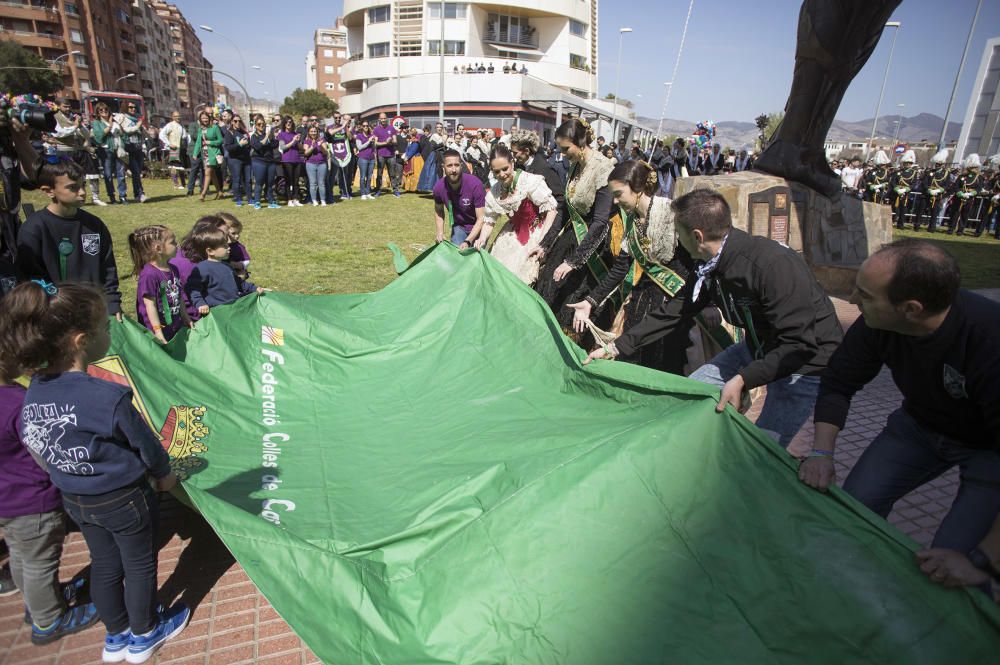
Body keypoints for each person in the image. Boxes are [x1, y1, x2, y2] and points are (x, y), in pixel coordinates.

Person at [0, 281, 191, 662]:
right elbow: (146, 445)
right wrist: (165, 474)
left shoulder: (33, 390)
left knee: (104, 564)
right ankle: (145, 634)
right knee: (138, 565)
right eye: (105, 328)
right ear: (81, 340)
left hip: (76, 500)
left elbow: (36, 444)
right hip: (125, 497)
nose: (109, 333)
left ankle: (115, 635)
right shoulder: (107, 396)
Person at [800, 240, 1000, 574]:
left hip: (988, 450)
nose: (851, 301)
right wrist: (821, 453)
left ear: (911, 309)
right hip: (918, 427)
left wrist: (982, 559)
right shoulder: (877, 322)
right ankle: (857, 587)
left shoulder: (989, 342)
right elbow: (838, 382)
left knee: (949, 563)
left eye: (864, 295)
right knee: (855, 509)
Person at [587, 189, 844, 447]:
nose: (676, 239)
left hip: (804, 361)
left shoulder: (772, 265)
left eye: (679, 233)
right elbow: (677, 309)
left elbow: (800, 344)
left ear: (697, 236)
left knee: (761, 450)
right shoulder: (709, 263)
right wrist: (616, 346)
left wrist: (744, 379)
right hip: (761, 345)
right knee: (688, 397)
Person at [0, 353, 99, 645]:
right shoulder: (17, 404)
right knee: (40, 562)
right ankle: (49, 620)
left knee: (21, 555)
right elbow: (42, 452)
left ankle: (39, 603)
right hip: (34, 501)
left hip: (8, 500)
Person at [570, 161, 693, 375]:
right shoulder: (633, 222)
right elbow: (621, 268)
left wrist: (705, 303)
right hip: (643, 299)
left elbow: (693, 261)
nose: (615, 201)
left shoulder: (672, 212)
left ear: (638, 189)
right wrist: (591, 301)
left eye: (619, 194)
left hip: (676, 301)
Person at [534, 118, 616, 339]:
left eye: (565, 148)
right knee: (551, 290)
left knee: (572, 302)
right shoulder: (574, 165)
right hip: (570, 239)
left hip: (593, 246)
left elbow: (600, 221)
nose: (562, 154)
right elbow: (564, 210)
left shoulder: (603, 167)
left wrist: (573, 262)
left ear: (581, 142)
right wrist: (546, 243)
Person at [16, 162, 122, 319]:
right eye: (73, 187)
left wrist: (112, 302)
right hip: (56, 315)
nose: (82, 192)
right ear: (48, 191)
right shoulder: (33, 229)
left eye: (83, 185)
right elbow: (31, 278)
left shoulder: (94, 225)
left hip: (95, 311)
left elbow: (107, 268)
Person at [465, 143, 557, 284]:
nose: (502, 174)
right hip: (512, 233)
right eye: (497, 172)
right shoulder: (495, 192)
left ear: (512, 163)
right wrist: (482, 239)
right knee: (498, 274)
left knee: (522, 275)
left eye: (505, 169)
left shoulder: (528, 181)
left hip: (537, 231)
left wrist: (544, 241)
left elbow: (551, 210)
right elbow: (490, 220)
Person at [128, 225, 193, 343]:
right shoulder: (149, 275)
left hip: (174, 326)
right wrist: (157, 332)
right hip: (156, 332)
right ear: (158, 248)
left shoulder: (174, 269)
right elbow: (149, 306)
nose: (177, 245)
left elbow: (179, 296)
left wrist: (186, 318)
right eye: (172, 242)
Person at [186, 226, 265, 314]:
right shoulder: (202, 269)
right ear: (210, 251)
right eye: (224, 246)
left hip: (234, 309)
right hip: (217, 314)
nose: (229, 248)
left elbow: (239, 283)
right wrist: (200, 303)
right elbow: (193, 289)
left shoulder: (227, 266)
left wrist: (254, 288)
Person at [50, 98, 105, 206]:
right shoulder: (54, 118)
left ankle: (95, 197)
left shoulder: (74, 117)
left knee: (91, 173)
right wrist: (75, 126)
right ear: (59, 106)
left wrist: (79, 125)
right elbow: (59, 133)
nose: (67, 108)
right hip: (64, 151)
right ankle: (72, 198)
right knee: (68, 176)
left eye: (69, 106)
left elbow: (87, 134)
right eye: (65, 106)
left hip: (79, 150)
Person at [432, 149, 486, 245]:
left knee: (475, 256)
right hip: (459, 226)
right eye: (449, 165)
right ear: (443, 167)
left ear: (461, 166)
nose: (453, 170)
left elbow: (481, 218)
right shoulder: (438, 187)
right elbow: (439, 211)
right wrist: (440, 233)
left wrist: (468, 241)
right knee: (456, 255)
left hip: (479, 226)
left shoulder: (476, 184)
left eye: (456, 165)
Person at [510, 128, 564, 214]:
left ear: (527, 151)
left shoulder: (543, 168)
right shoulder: (518, 166)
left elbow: (560, 198)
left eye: (515, 153)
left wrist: (553, 225)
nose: (513, 156)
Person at [90, 103, 127, 205]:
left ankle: (123, 196)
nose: (104, 112)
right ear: (97, 112)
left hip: (118, 149)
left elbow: (123, 135)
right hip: (106, 151)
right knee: (108, 175)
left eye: (106, 109)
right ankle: (112, 196)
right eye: (101, 110)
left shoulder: (115, 121)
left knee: (121, 174)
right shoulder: (97, 123)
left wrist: (120, 126)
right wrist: (110, 125)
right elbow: (99, 137)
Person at [114, 101, 146, 203]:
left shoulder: (137, 118)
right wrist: (137, 127)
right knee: (134, 171)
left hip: (138, 148)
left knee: (137, 173)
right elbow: (124, 131)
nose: (133, 109)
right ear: (125, 107)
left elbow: (141, 133)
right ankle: (138, 194)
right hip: (128, 148)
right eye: (130, 107)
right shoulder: (121, 117)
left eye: (134, 107)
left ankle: (138, 194)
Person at [948, 154, 986, 236]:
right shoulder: (962, 176)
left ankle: (960, 230)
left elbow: (979, 188)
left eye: (973, 167)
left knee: (965, 214)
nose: (972, 169)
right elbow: (956, 186)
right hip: (959, 196)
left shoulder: (979, 177)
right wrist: (959, 193)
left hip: (969, 198)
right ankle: (951, 228)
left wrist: (971, 194)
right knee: (955, 213)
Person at [192, 110, 224, 201]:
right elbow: (198, 142)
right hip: (205, 154)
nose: (204, 120)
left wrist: (210, 142)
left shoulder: (215, 127)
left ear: (209, 118)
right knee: (212, 174)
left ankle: (203, 194)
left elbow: (221, 140)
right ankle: (220, 192)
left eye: (206, 118)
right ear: (200, 119)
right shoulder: (201, 129)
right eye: (202, 118)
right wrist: (195, 153)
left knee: (207, 173)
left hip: (213, 153)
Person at [249, 115, 280, 210]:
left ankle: (271, 201)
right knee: (259, 183)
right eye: (259, 124)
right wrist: (267, 136)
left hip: (270, 161)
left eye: (263, 124)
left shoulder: (269, 135)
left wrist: (273, 137)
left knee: (270, 183)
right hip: (259, 161)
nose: (261, 126)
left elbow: (275, 144)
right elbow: (258, 146)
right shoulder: (254, 136)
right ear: (255, 125)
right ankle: (257, 201)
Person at [919, 149, 951, 232]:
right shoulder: (929, 172)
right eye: (937, 164)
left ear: (942, 164)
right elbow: (924, 182)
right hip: (928, 193)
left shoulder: (946, 173)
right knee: (921, 210)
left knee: (934, 212)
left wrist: (940, 190)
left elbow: (947, 184)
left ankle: (931, 228)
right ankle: (917, 225)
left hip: (937, 195)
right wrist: (928, 189)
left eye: (939, 164)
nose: (937, 165)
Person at [223, 115, 251, 207]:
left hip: (246, 159)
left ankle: (250, 198)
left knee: (248, 180)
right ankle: (238, 199)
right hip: (235, 160)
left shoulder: (243, 132)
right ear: (231, 122)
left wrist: (247, 144)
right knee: (237, 180)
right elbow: (228, 148)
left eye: (239, 121)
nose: (237, 123)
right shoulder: (229, 133)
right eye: (235, 121)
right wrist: (239, 144)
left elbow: (248, 145)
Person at [889, 150, 921, 229]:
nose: (907, 165)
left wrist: (907, 189)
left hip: (906, 193)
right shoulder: (898, 172)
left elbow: (914, 183)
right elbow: (893, 181)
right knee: (894, 208)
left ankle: (901, 224)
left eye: (909, 163)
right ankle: (892, 221)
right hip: (897, 192)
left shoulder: (914, 173)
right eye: (906, 163)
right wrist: (896, 188)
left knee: (903, 209)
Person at [276, 117, 304, 207]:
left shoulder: (296, 134)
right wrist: (293, 141)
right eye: (287, 122)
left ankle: (296, 199)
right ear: (284, 124)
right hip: (287, 159)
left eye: (290, 122)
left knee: (296, 181)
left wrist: (298, 141)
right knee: (288, 180)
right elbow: (283, 147)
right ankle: (289, 199)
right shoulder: (281, 134)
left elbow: (301, 148)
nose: (289, 124)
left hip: (297, 159)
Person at [325, 116, 353, 201]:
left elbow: (350, 138)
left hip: (344, 154)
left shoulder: (344, 127)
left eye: (339, 118)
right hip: (334, 155)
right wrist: (341, 127)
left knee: (344, 174)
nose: (338, 119)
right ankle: (329, 194)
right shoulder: (330, 127)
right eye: (336, 118)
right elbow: (330, 133)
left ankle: (344, 192)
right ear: (333, 118)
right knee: (333, 175)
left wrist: (346, 128)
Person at [158, 111, 188, 191]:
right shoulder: (169, 125)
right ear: (173, 117)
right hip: (173, 149)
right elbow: (161, 135)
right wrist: (169, 143)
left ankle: (183, 183)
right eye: (176, 116)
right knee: (174, 167)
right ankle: (176, 184)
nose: (178, 118)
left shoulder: (181, 126)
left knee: (181, 167)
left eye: (179, 116)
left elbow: (185, 136)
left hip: (180, 148)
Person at [371, 113, 398, 197]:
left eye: (384, 118)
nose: (383, 120)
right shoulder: (376, 129)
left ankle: (395, 190)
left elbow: (395, 141)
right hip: (381, 155)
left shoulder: (392, 128)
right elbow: (375, 143)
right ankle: (378, 190)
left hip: (391, 154)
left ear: (387, 119)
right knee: (379, 174)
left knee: (392, 174)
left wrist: (390, 141)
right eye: (381, 118)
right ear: (379, 119)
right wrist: (385, 142)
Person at [302, 125, 330, 206]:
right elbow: (306, 153)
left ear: (317, 132)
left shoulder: (322, 140)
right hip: (310, 164)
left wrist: (320, 145)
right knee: (313, 183)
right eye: (311, 131)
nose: (313, 133)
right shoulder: (307, 141)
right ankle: (314, 200)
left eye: (315, 131)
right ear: (309, 132)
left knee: (321, 183)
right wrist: (312, 146)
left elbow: (325, 153)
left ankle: (323, 200)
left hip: (322, 164)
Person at [354, 120, 376, 200]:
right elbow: (360, 147)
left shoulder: (371, 135)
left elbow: (373, 148)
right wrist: (368, 141)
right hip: (363, 158)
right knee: (363, 177)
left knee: (369, 177)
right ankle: (363, 193)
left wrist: (375, 157)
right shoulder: (359, 136)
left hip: (371, 159)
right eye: (364, 126)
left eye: (367, 126)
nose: (365, 127)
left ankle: (368, 192)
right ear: (361, 127)